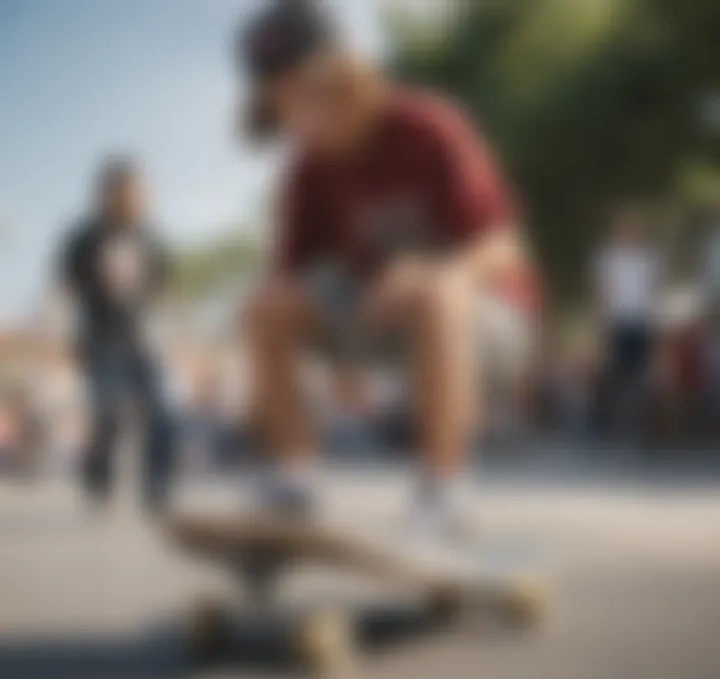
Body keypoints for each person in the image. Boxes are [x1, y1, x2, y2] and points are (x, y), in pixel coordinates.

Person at [236, 0, 537, 536]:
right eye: (283, 106)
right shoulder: (307, 169)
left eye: (311, 95)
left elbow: (504, 246)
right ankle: (293, 480)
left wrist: (441, 273)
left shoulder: (427, 126)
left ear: (352, 77)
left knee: (436, 291)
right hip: (377, 318)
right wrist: (275, 402)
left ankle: (442, 488)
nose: (300, 120)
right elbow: (289, 285)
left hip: (488, 326)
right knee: (265, 306)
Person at [58, 158, 173, 512]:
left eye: (137, 191)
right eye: (124, 191)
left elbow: (163, 281)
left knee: (164, 411)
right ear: (107, 194)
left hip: (142, 337)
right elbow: (68, 283)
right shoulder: (85, 237)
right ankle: (99, 481)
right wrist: (98, 285)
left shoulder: (149, 236)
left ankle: (157, 491)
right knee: (107, 412)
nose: (131, 198)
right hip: (100, 337)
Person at [592, 208, 662, 438]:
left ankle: (638, 425)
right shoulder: (607, 259)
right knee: (618, 374)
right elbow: (602, 292)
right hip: (618, 322)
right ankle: (617, 425)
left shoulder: (649, 259)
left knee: (640, 375)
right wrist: (603, 322)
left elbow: (654, 292)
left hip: (641, 322)